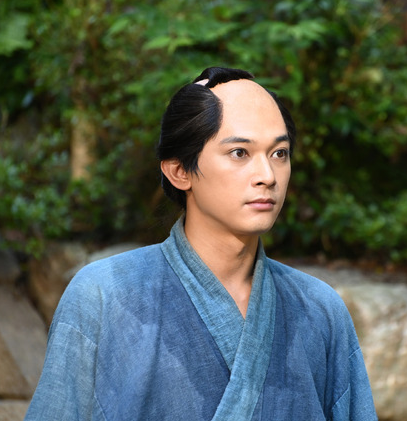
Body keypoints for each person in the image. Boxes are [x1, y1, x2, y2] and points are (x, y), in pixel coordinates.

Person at [25, 67, 377, 420]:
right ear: (179, 170)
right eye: (239, 152)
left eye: (279, 153)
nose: (267, 176)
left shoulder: (319, 310)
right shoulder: (104, 296)